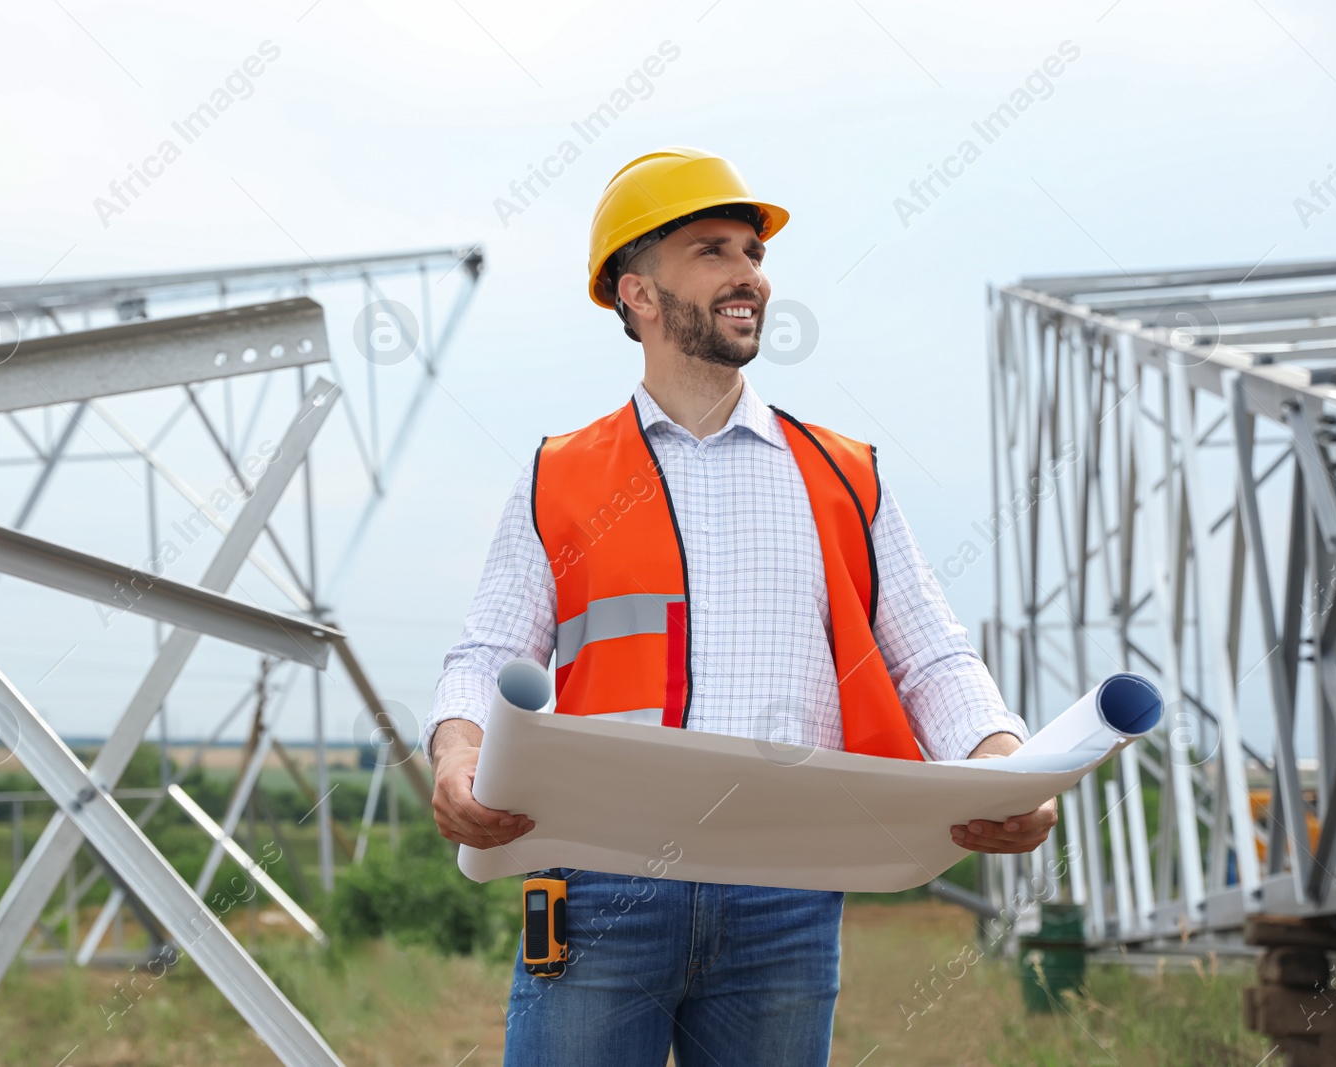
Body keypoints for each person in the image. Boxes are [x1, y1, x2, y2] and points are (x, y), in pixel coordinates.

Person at [421, 146, 1057, 1066]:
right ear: (637, 293)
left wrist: (1002, 763)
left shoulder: (843, 473)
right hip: (602, 884)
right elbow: (484, 653)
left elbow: (933, 658)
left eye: (754, 254)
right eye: (713, 251)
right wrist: (459, 746)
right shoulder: (560, 476)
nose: (749, 275)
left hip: (785, 892)